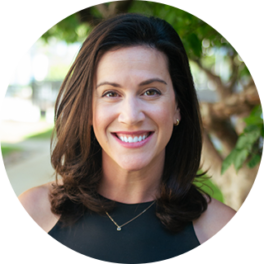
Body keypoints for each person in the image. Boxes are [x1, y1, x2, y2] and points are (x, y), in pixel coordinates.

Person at [18, 13, 237, 262]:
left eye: (151, 92)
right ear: (87, 109)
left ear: (178, 106)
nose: (131, 116)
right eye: (111, 93)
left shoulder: (218, 227)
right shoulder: (34, 212)